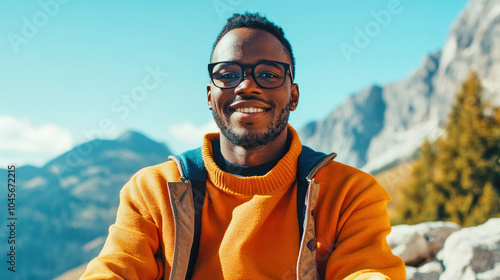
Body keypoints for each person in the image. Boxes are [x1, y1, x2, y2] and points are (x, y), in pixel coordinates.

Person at [81, 12, 405, 280]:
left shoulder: (351, 194)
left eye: (268, 73)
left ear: (293, 95)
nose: (247, 86)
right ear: (210, 95)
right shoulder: (153, 191)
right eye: (228, 74)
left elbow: (369, 271)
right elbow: (113, 270)